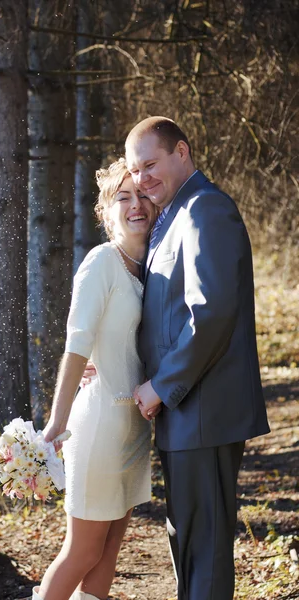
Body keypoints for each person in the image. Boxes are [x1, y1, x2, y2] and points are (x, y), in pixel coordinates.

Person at [126, 117, 270, 600]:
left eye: (150, 164)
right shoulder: (173, 217)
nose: (142, 179)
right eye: (135, 170)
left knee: (203, 551)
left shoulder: (206, 210)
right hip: (184, 415)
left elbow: (209, 314)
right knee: (187, 545)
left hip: (202, 411)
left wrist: (162, 386)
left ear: (181, 152)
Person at [32, 158, 157, 600]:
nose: (136, 204)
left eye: (142, 195)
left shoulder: (151, 267)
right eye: (123, 197)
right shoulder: (101, 261)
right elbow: (77, 344)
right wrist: (56, 422)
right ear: (105, 212)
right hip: (100, 423)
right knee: (82, 551)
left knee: (108, 552)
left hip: (134, 429)